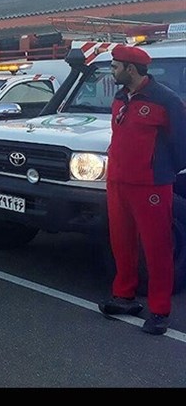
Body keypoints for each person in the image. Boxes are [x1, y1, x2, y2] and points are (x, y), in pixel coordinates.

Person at [98, 45, 186, 336]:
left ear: (131, 69)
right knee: (121, 242)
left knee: (157, 247)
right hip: (118, 182)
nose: (112, 71)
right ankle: (124, 296)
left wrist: (161, 170)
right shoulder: (120, 97)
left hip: (151, 185)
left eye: (115, 66)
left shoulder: (166, 100)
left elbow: (181, 144)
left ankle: (160, 310)